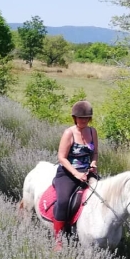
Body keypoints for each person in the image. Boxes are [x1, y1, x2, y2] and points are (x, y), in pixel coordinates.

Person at [52, 101, 98, 250]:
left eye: (86, 118)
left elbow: (95, 152)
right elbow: (62, 157)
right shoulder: (69, 133)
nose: (83, 120)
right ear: (74, 118)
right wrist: (76, 173)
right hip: (67, 174)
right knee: (64, 200)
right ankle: (58, 239)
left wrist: (93, 164)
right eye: (80, 118)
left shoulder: (92, 132)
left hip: (87, 173)